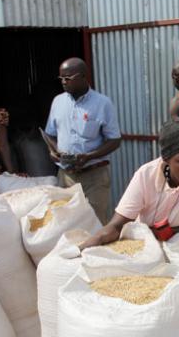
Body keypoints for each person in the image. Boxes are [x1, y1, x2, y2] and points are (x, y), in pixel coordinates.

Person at [80, 117, 179, 249]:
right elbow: (117, 226)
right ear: (166, 159)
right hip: (144, 245)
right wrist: (93, 242)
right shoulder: (145, 175)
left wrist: (151, 233)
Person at [44, 58, 122, 223]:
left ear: (83, 77)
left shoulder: (102, 103)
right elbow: (50, 134)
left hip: (94, 175)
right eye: (61, 79)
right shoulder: (58, 101)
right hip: (66, 175)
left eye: (68, 78)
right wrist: (54, 150)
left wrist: (89, 156)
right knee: (64, 221)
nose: (64, 82)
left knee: (94, 221)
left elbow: (114, 140)